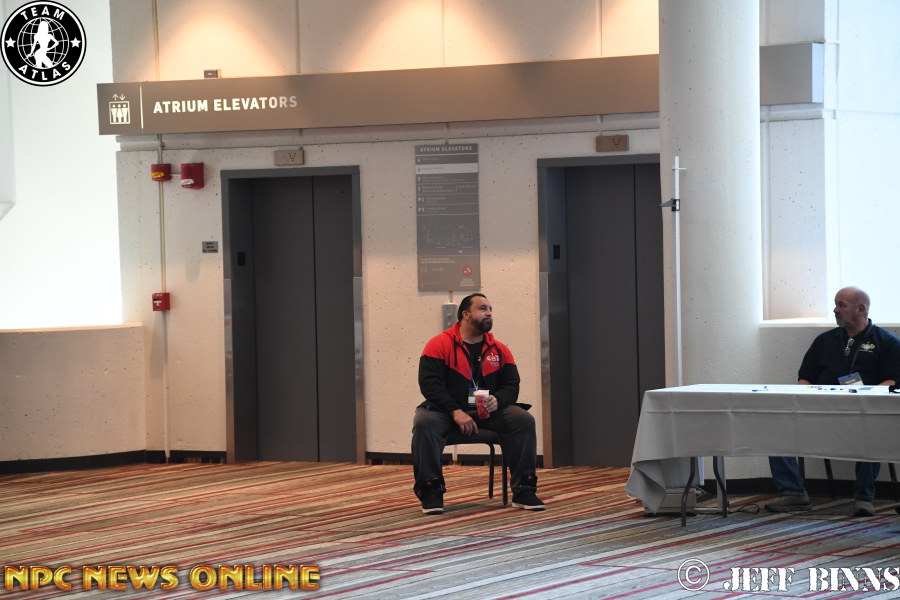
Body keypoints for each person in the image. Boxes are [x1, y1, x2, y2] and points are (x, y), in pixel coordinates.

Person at [766, 287, 900, 517]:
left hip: (863, 415)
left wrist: (866, 398)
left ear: (861, 309)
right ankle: (793, 493)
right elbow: (805, 377)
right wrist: (807, 400)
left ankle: (864, 497)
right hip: (819, 414)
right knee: (776, 431)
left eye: (841, 305)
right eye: (835, 304)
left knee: (875, 431)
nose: (835, 310)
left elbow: (892, 380)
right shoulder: (824, 341)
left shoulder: (887, 343)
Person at [411, 293, 545, 514]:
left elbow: (512, 386)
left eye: (490, 309)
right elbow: (430, 386)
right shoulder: (438, 345)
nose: (489, 313)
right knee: (425, 423)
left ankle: (524, 490)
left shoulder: (500, 350)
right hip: (447, 412)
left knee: (522, 420)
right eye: (483, 308)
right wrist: (455, 411)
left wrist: (498, 400)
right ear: (466, 314)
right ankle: (431, 491)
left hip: (487, 412)